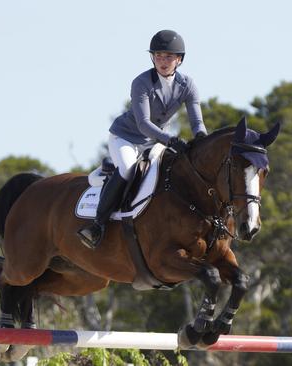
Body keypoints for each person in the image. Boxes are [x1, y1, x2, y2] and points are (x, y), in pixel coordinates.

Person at [76, 29, 208, 249]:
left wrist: (202, 138)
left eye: (168, 57)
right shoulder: (142, 82)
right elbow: (143, 123)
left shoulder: (188, 86)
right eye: (158, 56)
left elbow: (197, 122)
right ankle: (97, 225)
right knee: (128, 169)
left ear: (179, 60)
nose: (162, 61)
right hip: (126, 137)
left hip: (153, 141)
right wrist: (170, 139)